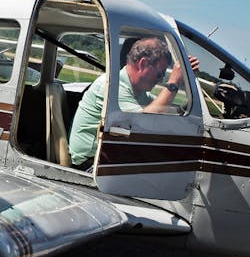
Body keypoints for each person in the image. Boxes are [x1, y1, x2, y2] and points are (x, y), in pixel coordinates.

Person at [68, 36, 198, 170]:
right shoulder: (113, 86)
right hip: (89, 163)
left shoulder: (137, 90)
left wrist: (186, 95)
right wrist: (173, 82)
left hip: (105, 158)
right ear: (142, 64)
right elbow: (145, 120)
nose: (159, 80)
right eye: (160, 74)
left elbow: (163, 107)